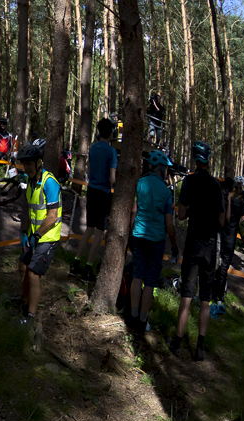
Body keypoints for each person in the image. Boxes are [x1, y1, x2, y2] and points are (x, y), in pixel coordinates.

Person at [169, 141, 225, 361]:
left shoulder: (189, 182)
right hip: (211, 247)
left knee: (186, 296)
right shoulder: (216, 185)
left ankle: (177, 342)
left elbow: (181, 215)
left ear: (194, 159)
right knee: (205, 300)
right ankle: (200, 348)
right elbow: (222, 220)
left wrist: (194, 209)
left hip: (193, 244)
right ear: (209, 160)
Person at [126, 150, 178, 332]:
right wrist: (175, 246)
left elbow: (133, 211)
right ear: (161, 168)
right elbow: (169, 224)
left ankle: (132, 316)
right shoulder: (166, 191)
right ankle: (142, 319)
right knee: (150, 282)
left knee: (137, 276)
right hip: (156, 240)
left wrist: (131, 233)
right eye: (166, 169)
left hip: (139, 236)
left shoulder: (140, 183)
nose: (167, 172)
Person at [14, 143, 62, 325]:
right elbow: (30, 210)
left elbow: (52, 216)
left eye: (29, 163)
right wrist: (25, 232)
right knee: (22, 266)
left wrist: (37, 235)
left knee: (34, 272)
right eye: (24, 164)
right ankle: (25, 305)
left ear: (38, 162)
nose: (26, 167)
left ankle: (31, 317)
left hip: (47, 237)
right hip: (35, 235)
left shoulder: (49, 183)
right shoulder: (31, 182)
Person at [71, 118, 118, 280]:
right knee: (99, 232)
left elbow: (89, 173)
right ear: (111, 133)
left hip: (91, 190)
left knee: (88, 229)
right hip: (104, 193)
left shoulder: (93, 148)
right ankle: (88, 268)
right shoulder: (111, 152)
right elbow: (112, 179)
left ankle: (76, 263)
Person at [209, 176, 244, 318]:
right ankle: (219, 297)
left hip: (219, 237)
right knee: (224, 269)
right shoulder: (239, 204)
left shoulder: (222, 201)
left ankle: (209, 291)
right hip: (230, 241)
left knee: (214, 264)